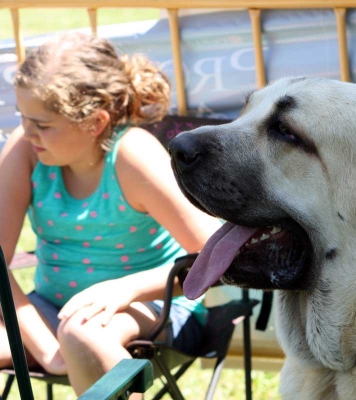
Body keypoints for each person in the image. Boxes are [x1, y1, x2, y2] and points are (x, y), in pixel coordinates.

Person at [0, 32, 221, 396]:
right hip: (50, 311)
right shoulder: (25, 151)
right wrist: (46, 348)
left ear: (96, 122)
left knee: (81, 333)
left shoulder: (133, 157)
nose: (27, 132)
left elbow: (212, 259)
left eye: (43, 124)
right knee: (74, 330)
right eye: (23, 117)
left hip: (155, 309)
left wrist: (125, 289)